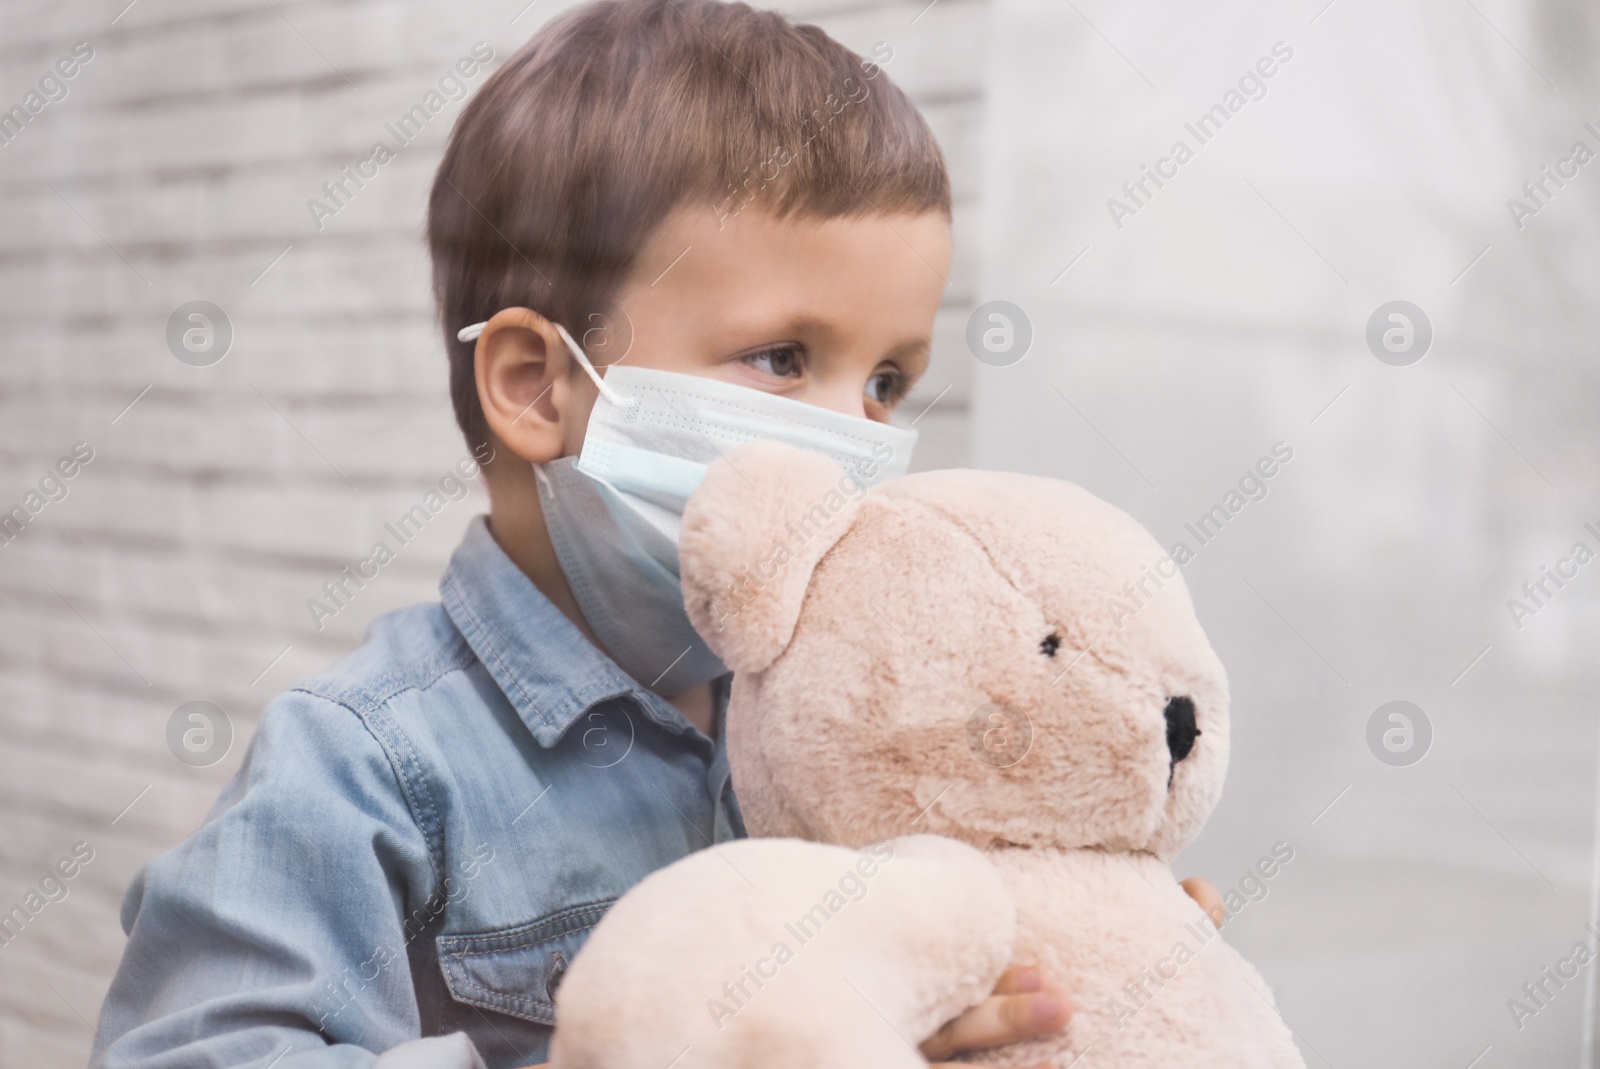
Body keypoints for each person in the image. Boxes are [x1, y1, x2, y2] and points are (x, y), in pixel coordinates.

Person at [91, 2, 1221, 1066]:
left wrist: (1071, 956)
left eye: (886, 381)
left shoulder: (862, 729)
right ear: (537, 387)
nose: (850, 440)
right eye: (782, 358)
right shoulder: (367, 766)